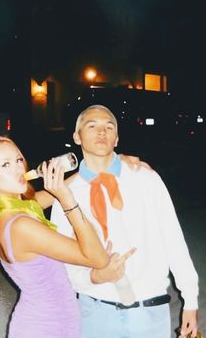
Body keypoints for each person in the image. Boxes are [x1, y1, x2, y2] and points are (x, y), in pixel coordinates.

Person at [51, 105, 199, 338]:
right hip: (94, 313)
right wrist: (93, 276)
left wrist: (190, 299)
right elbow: (60, 259)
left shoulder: (146, 179)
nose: (102, 132)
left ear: (117, 138)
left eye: (109, 127)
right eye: (92, 126)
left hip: (149, 312)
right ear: (76, 137)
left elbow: (173, 239)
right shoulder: (65, 193)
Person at [0, 135, 111, 338]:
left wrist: (96, 168)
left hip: (51, 320)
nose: (18, 169)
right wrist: (67, 199)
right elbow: (99, 259)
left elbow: (47, 196)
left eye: (18, 160)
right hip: (47, 327)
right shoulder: (21, 226)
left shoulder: (8, 211)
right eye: (5, 165)